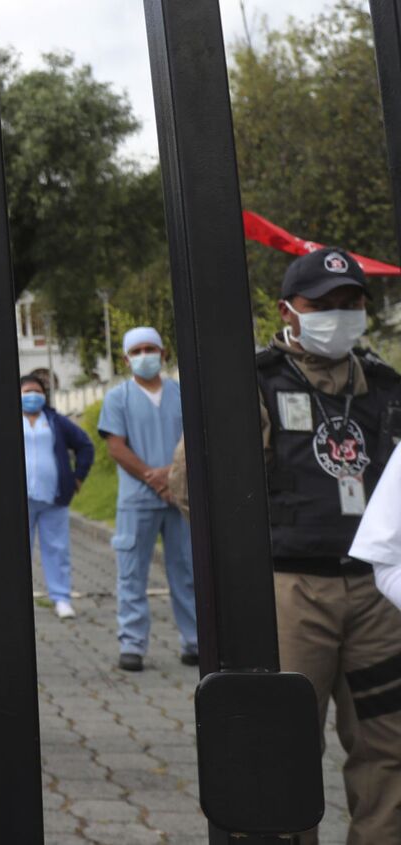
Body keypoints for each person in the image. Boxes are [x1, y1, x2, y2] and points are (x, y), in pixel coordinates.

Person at [255, 248, 401, 843]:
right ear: (289, 311)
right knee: (285, 748)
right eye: (324, 305)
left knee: (388, 743)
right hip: (293, 591)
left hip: (377, 594)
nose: (339, 315)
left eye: (352, 303)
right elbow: (199, 488)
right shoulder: (255, 381)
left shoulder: (388, 386)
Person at [97, 326, 196, 671]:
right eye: (136, 351)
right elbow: (116, 446)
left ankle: (195, 640)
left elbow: (195, 441)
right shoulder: (118, 397)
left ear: (163, 353)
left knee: (187, 571)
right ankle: (133, 644)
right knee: (131, 573)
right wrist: (154, 478)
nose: (144, 356)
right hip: (138, 499)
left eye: (149, 349)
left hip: (180, 497)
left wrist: (172, 476)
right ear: (126, 359)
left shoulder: (183, 394)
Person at [19, 374, 92, 620]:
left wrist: (77, 477)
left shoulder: (55, 421)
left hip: (54, 497)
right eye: (26, 391)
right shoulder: (7, 419)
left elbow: (85, 445)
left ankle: (61, 598)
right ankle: (17, 600)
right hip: (20, 500)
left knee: (57, 549)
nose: (32, 396)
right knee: (18, 551)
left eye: (37, 391)